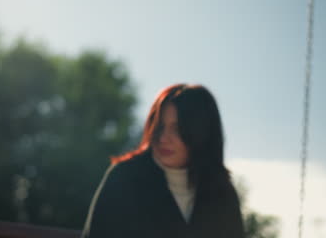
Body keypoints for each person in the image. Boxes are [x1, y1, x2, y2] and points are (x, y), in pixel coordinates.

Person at [81, 84, 244, 238]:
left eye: (177, 129)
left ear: (202, 134)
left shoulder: (222, 193)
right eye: (159, 126)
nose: (164, 138)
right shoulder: (124, 178)